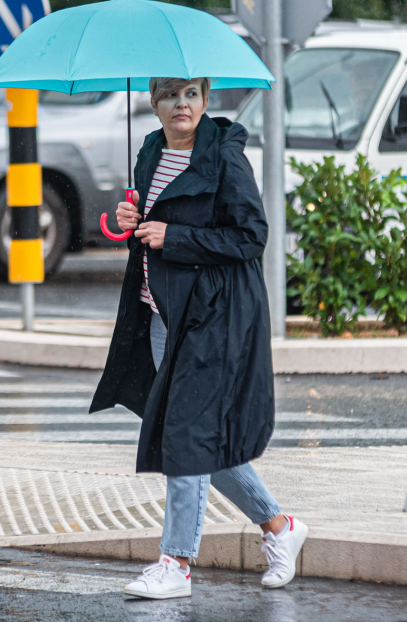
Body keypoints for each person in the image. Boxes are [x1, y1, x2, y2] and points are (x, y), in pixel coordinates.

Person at [90, 76, 306, 600]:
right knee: (197, 434)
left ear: (205, 101)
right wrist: (132, 218)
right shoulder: (149, 150)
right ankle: (280, 528)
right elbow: (151, 223)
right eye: (170, 96)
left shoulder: (223, 158)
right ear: (155, 103)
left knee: (185, 435)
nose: (181, 105)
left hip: (213, 316)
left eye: (190, 94)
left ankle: (176, 563)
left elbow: (251, 236)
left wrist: (176, 236)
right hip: (162, 314)